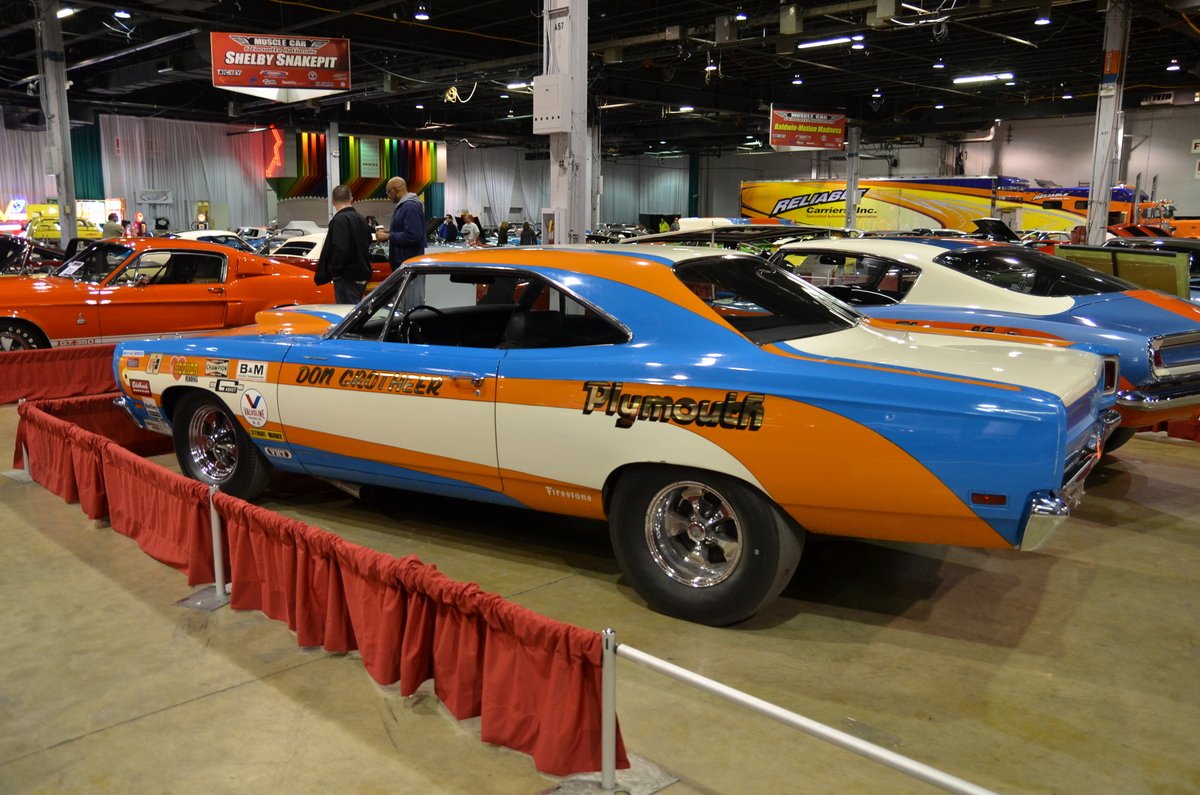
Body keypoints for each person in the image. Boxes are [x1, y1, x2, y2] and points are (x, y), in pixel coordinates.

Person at [314, 184, 373, 304]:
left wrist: (335, 272)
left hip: (347, 278)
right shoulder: (361, 219)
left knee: (347, 316)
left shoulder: (340, 220)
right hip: (362, 275)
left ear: (333, 202)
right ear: (351, 199)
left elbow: (340, 248)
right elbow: (368, 243)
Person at [377, 176, 425, 271]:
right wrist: (388, 232)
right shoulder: (404, 206)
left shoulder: (410, 207)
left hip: (409, 265)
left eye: (388, 192)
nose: (388, 195)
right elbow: (405, 230)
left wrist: (388, 236)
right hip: (404, 264)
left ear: (394, 190)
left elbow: (413, 236)